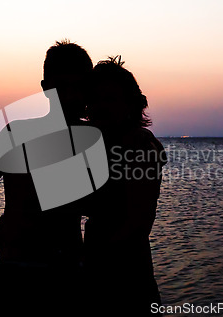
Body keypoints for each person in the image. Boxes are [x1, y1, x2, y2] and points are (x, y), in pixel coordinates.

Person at [0, 40, 92, 316]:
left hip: (70, 271)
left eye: (79, 87)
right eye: (62, 88)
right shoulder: (17, 134)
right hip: (16, 270)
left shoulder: (96, 138)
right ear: (46, 89)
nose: (71, 96)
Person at [83, 56, 167, 315]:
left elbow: (138, 223)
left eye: (110, 99)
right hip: (97, 277)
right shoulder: (103, 147)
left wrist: (90, 264)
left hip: (127, 280)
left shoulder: (140, 146)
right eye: (95, 99)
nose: (100, 107)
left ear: (130, 105)